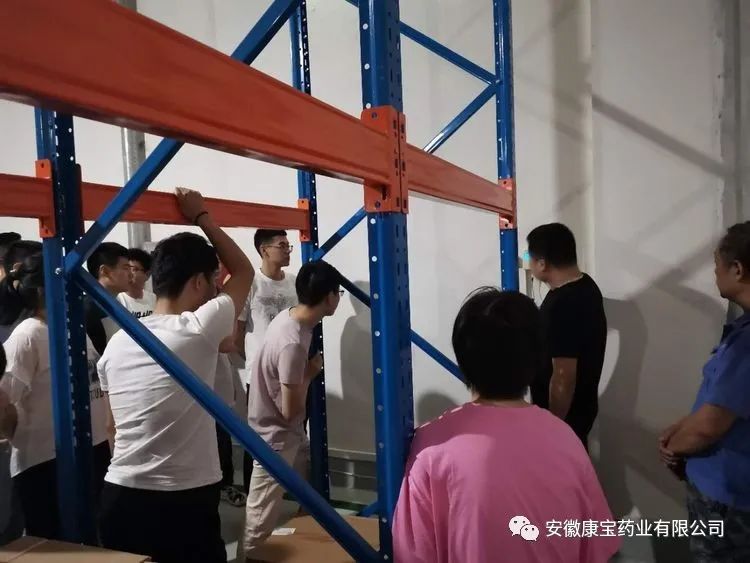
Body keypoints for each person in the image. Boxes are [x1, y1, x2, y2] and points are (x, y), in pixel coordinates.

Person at [392, 288, 620, 563]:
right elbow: (595, 547)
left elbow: (413, 555)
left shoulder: (430, 446)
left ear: (463, 358)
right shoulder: (565, 438)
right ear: (537, 359)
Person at [97, 188, 253, 563]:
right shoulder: (196, 328)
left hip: (121, 492)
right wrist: (201, 215)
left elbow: (111, 427)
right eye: (213, 282)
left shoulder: (119, 341)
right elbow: (245, 270)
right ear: (198, 282)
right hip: (183, 499)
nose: (216, 291)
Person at [0, 252, 110, 540]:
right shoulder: (28, 336)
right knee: (55, 543)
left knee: (89, 539)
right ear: (42, 290)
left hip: (90, 450)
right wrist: (23, 433)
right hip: (46, 462)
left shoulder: (71, 326)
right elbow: (3, 401)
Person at [660, 222, 750, 561]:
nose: (714, 274)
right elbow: (725, 403)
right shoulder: (741, 331)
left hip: (728, 500)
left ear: (737, 269)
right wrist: (682, 428)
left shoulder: (746, 345)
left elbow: (710, 425)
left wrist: (673, 447)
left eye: (717, 265)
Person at [242, 260, 342, 556]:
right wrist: (310, 372)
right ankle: (250, 556)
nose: (338, 298)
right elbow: (289, 410)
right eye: (338, 293)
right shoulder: (293, 342)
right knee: (259, 517)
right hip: (275, 435)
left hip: (289, 432)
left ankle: (303, 539)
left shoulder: (289, 317)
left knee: (308, 486)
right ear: (329, 298)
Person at [526, 223, 607, 450]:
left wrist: (553, 428)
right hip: (580, 412)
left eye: (530, 258)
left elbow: (563, 377)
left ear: (542, 264)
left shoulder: (563, 305)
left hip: (565, 420)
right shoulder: (586, 285)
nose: (529, 263)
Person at [235, 229, 298, 493]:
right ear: (264, 250)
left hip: (291, 376)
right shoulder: (251, 283)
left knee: (293, 434)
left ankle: (288, 491)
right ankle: (254, 493)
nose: (287, 250)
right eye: (282, 245)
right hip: (259, 378)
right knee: (258, 439)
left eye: (288, 245)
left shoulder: (293, 282)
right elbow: (237, 334)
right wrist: (258, 362)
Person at [85, 242, 132, 355]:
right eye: (126, 268)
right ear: (105, 271)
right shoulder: (89, 310)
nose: (131, 274)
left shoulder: (116, 304)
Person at [117, 248, 156, 319]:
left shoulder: (154, 299)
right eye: (126, 268)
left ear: (147, 274)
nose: (128, 273)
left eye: (133, 269)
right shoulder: (118, 300)